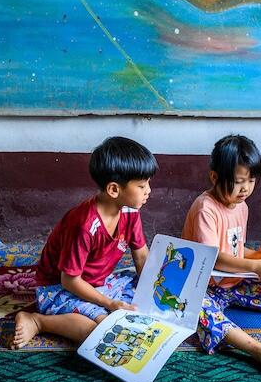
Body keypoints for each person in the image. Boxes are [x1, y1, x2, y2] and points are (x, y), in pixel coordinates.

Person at [10, 136, 157, 349]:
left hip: (101, 282)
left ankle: (108, 307)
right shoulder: (83, 225)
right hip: (61, 287)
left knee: (142, 300)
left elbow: (142, 256)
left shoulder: (129, 211)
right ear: (114, 190)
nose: (149, 190)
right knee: (99, 331)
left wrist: (153, 295)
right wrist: (109, 303)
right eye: (142, 185)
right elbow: (69, 281)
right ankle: (38, 321)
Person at [181, 134, 261, 381]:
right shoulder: (206, 209)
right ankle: (257, 350)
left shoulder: (241, 206)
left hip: (232, 283)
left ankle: (230, 303)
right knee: (197, 312)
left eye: (251, 181)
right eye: (239, 181)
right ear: (215, 177)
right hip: (201, 287)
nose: (246, 189)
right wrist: (256, 265)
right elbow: (213, 259)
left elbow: (234, 251)